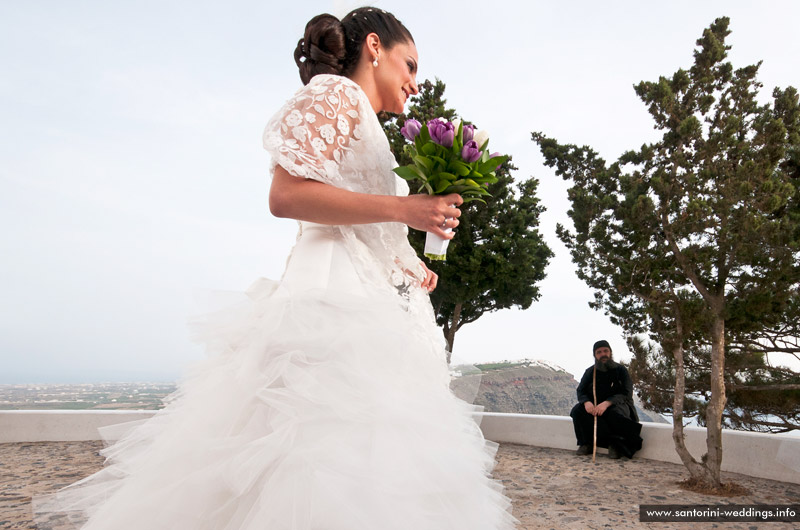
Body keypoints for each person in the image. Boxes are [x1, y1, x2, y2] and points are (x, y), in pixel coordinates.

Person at [34, 7, 518, 530]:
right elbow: (287, 195)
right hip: (330, 302)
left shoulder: (369, 125)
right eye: (410, 65)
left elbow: (364, 223)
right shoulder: (335, 94)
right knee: (318, 451)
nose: (415, 83)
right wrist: (406, 208)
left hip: (370, 299)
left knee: (371, 459)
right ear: (375, 48)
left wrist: (408, 262)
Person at [569, 340, 643, 459]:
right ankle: (586, 443)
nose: (603, 354)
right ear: (595, 355)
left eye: (605, 351)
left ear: (610, 352)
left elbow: (626, 393)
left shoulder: (621, 370)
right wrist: (587, 402)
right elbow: (581, 390)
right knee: (577, 410)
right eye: (599, 352)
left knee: (615, 413)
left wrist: (607, 403)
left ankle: (615, 444)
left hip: (618, 405)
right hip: (596, 406)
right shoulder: (590, 372)